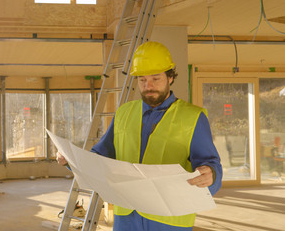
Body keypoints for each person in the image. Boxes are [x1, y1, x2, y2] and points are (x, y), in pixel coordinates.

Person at [57, 41, 222, 230]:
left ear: (170, 77)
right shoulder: (124, 113)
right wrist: (71, 160)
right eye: (142, 80)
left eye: (155, 78)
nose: (148, 85)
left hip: (169, 219)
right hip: (126, 216)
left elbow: (211, 165)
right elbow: (100, 158)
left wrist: (212, 175)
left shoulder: (193, 117)